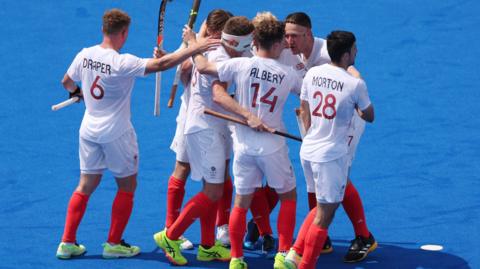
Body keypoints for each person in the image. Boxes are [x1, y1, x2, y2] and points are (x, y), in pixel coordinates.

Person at [55, 8, 219, 260]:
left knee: (85, 185)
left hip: (88, 130)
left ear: (103, 29)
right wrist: (194, 47)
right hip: (117, 134)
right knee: (127, 185)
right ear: (124, 33)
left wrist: (78, 93)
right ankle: (113, 243)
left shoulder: (84, 54)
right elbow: (162, 64)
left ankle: (66, 242)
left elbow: (66, 81)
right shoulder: (123, 62)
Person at [190, 18, 302, 269]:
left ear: (255, 42)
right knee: (288, 197)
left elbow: (204, 67)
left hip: (243, 146)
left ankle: (237, 259)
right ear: (275, 46)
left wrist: (193, 42)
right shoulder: (288, 75)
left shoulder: (239, 64)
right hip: (273, 146)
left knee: (241, 202)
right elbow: (308, 93)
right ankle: (283, 255)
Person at [153, 16, 256, 266]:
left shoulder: (210, 48)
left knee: (211, 188)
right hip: (206, 130)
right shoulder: (219, 57)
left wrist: (192, 43)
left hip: (208, 128)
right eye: (246, 46)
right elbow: (217, 92)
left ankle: (207, 246)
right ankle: (171, 235)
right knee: (213, 191)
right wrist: (248, 116)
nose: (247, 51)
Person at [282, 30, 375, 269]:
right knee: (325, 213)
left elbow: (304, 108)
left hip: (309, 149)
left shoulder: (312, 73)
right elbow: (369, 115)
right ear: (346, 55)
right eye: (354, 49)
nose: (357, 52)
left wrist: (314, 130)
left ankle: (295, 253)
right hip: (331, 155)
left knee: (321, 207)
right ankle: (305, 263)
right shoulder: (355, 84)